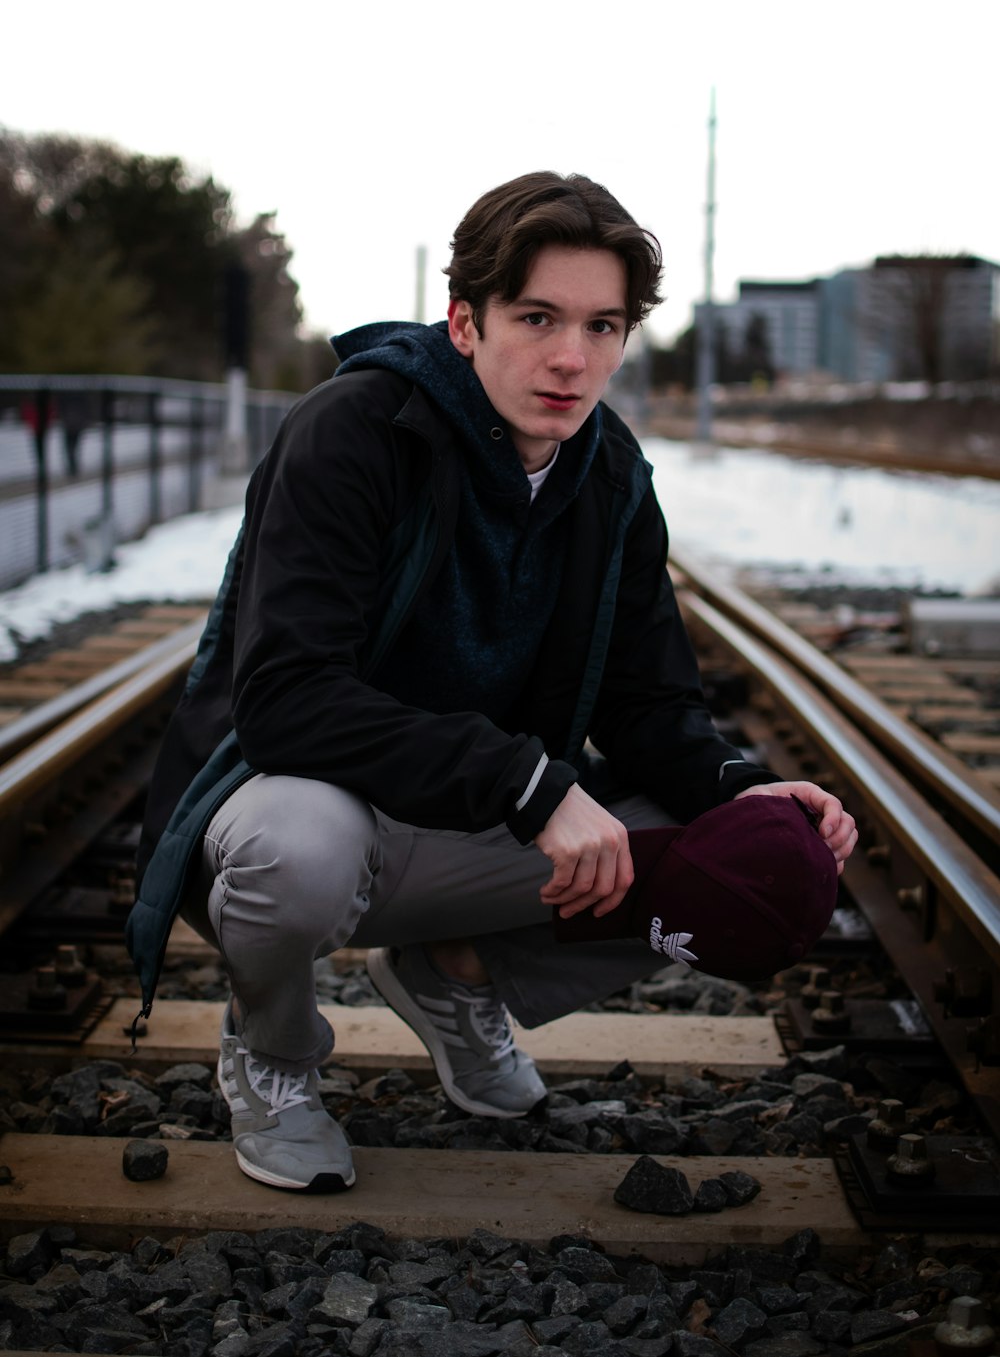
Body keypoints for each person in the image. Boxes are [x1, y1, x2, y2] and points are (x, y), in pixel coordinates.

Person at [127, 171, 857, 1193]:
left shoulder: (607, 474)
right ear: (463, 320)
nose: (571, 357)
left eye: (602, 325)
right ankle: (274, 1054)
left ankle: (456, 972)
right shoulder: (353, 432)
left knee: (767, 856)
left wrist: (742, 790)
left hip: (484, 822)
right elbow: (287, 697)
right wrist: (535, 787)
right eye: (537, 317)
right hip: (320, 800)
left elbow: (648, 702)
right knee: (299, 846)